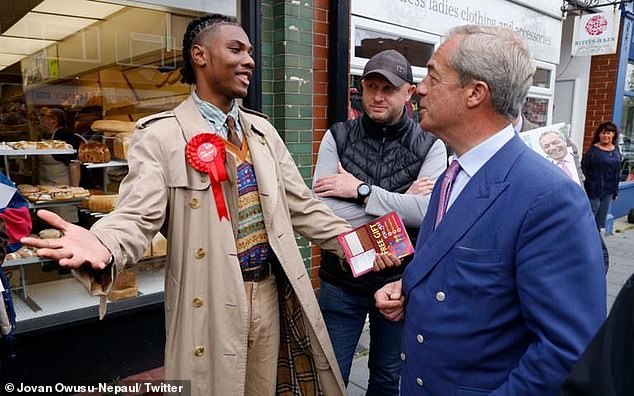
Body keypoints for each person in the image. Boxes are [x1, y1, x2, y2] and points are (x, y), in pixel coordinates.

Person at [22, 14, 352, 396]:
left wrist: (363, 244)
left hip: (269, 294)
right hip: (207, 299)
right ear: (200, 55)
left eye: (249, 51)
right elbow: (137, 214)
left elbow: (304, 208)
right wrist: (105, 244)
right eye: (236, 49)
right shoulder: (160, 135)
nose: (249, 60)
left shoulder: (263, 133)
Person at [374, 25, 606, 395]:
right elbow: (462, 270)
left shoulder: (549, 197)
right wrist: (410, 286)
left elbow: (567, 351)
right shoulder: (452, 176)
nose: (419, 89)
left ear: (475, 93)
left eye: (433, 76)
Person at [312, 49, 447, 394]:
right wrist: (405, 204)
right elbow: (321, 211)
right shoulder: (338, 136)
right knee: (330, 375)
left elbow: (431, 212)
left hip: (400, 283)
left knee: (387, 377)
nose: (377, 96)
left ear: (409, 92)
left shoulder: (431, 146)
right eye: (371, 86)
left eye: (388, 88)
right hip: (340, 279)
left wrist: (358, 190)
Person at [38, 107, 82, 222]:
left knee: (64, 222)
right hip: (47, 186)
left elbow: (74, 164)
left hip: (62, 188)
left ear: (54, 120)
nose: (41, 119)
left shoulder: (64, 135)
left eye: (44, 116)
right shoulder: (47, 135)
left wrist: (74, 190)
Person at [581, 122, 623, 232]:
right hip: (594, 191)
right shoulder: (592, 152)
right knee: (589, 219)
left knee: (600, 222)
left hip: (609, 191)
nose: (605, 136)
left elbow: (617, 172)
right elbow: (583, 170)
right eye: (603, 133)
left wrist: (615, 191)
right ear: (599, 135)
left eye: (608, 133)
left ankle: (597, 244)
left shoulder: (616, 150)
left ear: (613, 135)